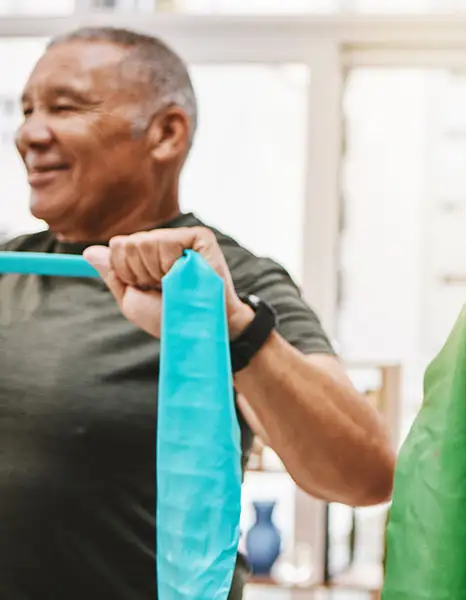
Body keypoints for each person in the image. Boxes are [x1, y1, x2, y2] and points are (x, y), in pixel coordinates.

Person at [0, 27, 395, 599]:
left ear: (165, 133)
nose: (29, 134)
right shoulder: (12, 266)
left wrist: (235, 328)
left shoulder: (230, 284)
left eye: (65, 107)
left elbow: (364, 474)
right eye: (28, 108)